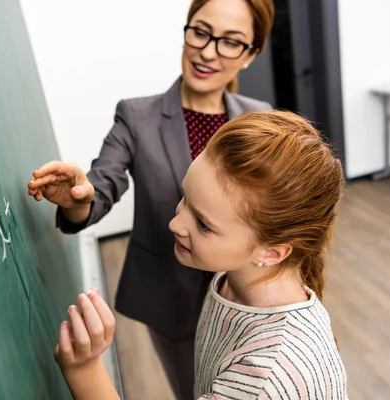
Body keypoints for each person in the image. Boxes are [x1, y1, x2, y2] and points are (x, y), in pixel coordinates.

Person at [27, 0, 275, 398]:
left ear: (251, 55)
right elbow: (101, 185)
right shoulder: (136, 116)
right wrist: (76, 197)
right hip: (170, 297)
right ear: (186, 29)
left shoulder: (259, 117)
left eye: (231, 42)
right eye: (201, 31)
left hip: (245, 300)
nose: (208, 51)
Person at [52, 110, 349, 400]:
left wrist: (84, 370)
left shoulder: (265, 377)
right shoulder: (231, 280)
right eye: (185, 198)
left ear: (272, 252)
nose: (175, 224)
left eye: (204, 225)